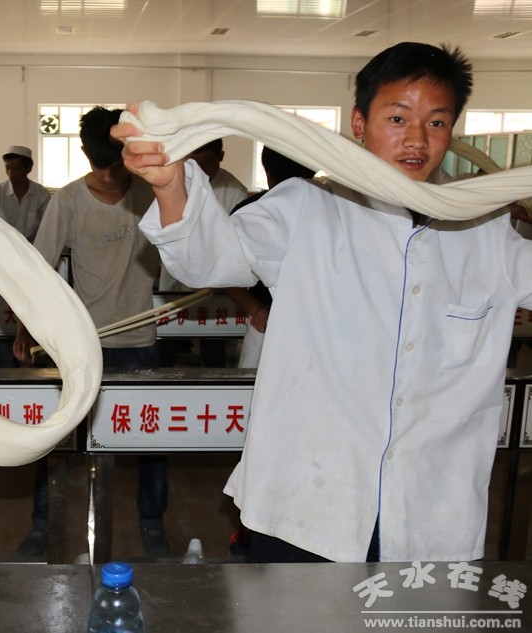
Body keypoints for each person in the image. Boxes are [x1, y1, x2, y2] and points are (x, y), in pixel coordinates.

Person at [116, 42, 532, 563]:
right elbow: (210, 260)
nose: (417, 139)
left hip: (431, 515)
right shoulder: (306, 207)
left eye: (437, 122)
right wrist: (170, 188)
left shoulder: (488, 231)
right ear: (359, 122)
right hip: (306, 509)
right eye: (397, 118)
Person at [13, 107, 168, 558]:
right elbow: (37, 270)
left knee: (152, 441)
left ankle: (152, 522)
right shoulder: (68, 202)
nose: (109, 176)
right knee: (57, 440)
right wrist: (23, 329)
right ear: (85, 155)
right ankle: (43, 524)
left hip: (139, 342)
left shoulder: (151, 196)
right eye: (100, 166)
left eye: (116, 165)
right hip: (83, 345)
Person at [157, 138, 248, 368]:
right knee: (168, 343)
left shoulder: (234, 191)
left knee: (213, 345)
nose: (200, 169)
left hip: (215, 284)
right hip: (176, 283)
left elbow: (234, 243)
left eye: (206, 163)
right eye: (194, 162)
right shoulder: (176, 181)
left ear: (221, 156)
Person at [224, 146, 317, 368]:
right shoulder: (339, 209)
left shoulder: (250, 212)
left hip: (279, 320)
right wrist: (256, 309)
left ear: (267, 173)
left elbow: (223, 272)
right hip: (274, 321)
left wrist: (255, 309)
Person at [0, 147, 52, 367]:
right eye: (7, 168)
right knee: (3, 318)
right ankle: (5, 366)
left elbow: (48, 234)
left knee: (34, 315)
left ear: (28, 168)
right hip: (3, 266)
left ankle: (35, 361)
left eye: (16, 169)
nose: (11, 174)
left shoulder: (41, 196)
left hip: (33, 266)